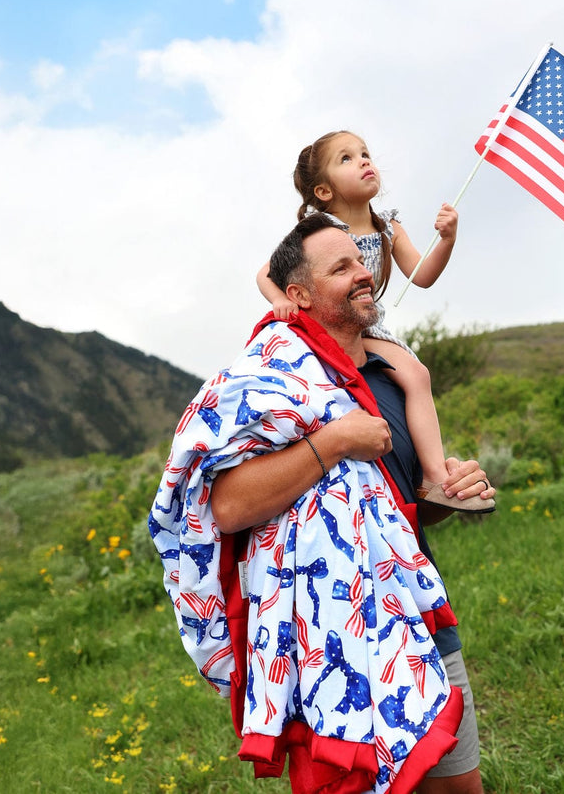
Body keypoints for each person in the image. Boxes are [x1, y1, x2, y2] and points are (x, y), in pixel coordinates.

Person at [149, 213, 493, 794]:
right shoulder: (269, 380)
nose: (364, 273)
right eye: (341, 268)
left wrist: (452, 492)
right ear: (299, 294)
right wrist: (333, 441)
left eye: (361, 261)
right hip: (330, 636)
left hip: (414, 608)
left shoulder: (390, 378)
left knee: (459, 788)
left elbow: (399, 508)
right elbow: (227, 507)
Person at [256, 130, 490, 514]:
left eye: (364, 153)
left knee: (417, 376)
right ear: (323, 191)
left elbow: (421, 275)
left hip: (366, 325)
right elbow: (266, 273)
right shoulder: (319, 230)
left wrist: (446, 240)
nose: (364, 160)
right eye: (346, 158)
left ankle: (433, 475)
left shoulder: (387, 226)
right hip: (329, 321)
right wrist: (282, 300)